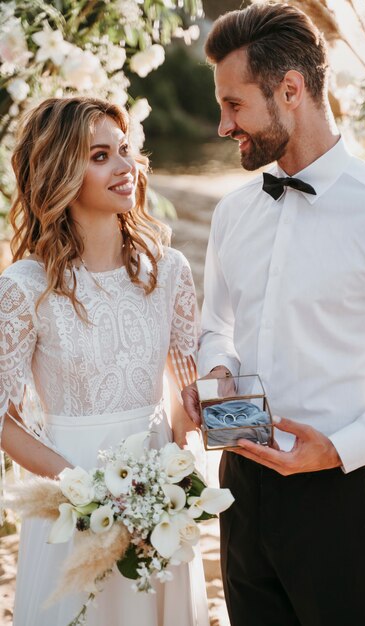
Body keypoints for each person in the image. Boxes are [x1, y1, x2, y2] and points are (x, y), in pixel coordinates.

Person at [182, 3, 365, 626]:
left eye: (234, 105)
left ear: (291, 90)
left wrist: (340, 449)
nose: (222, 125)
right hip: (241, 482)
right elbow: (217, 329)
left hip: (342, 498)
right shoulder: (235, 214)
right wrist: (217, 379)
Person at [0, 96, 209, 626]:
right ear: (59, 173)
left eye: (125, 150)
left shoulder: (170, 271)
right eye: (100, 156)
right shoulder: (25, 288)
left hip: (159, 501)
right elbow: (3, 419)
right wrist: (85, 491)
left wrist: (183, 452)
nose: (125, 167)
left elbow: (184, 397)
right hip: (71, 501)